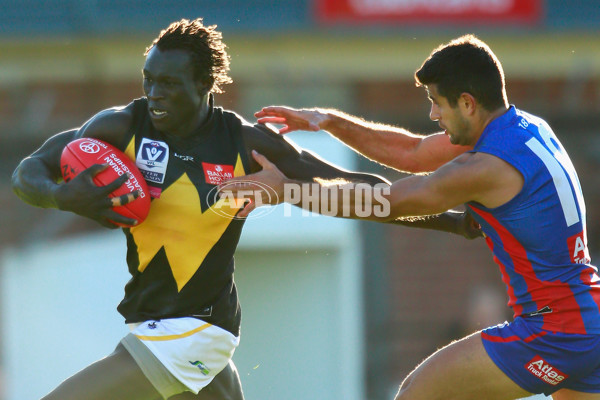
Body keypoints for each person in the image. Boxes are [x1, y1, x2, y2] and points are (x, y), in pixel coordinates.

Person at [10, 19, 477, 400]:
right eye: (149, 81)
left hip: (193, 335)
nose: (154, 94)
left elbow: (358, 189)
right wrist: (60, 196)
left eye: (169, 84)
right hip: (161, 328)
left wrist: (453, 221)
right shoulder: (121, 126)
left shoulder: (244, 143)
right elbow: (30, 170)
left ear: (205, 85)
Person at [222, 35, 600, 400]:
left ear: (467, 103)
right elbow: (412, 152)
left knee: (414, 395)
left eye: (437, 103)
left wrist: (285, 191)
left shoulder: (484, 166)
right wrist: (330, 120)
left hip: (553, 331)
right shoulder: (526, 128)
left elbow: (384, 202)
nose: (433, 114)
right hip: (587, 321)